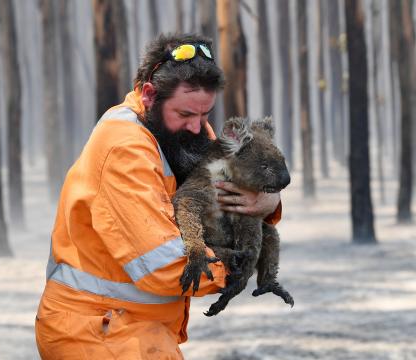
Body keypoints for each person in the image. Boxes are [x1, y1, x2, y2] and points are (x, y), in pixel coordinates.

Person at [35, 33, 282, 359]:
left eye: (205, 114)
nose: (199, 127)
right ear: (150, 95)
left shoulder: (184, 132)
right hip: (97, 331)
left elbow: (231, 193)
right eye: (185, 115)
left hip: (135, 327)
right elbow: (163, 265)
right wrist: (238, 264)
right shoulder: (124, 147)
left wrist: (270, 202)